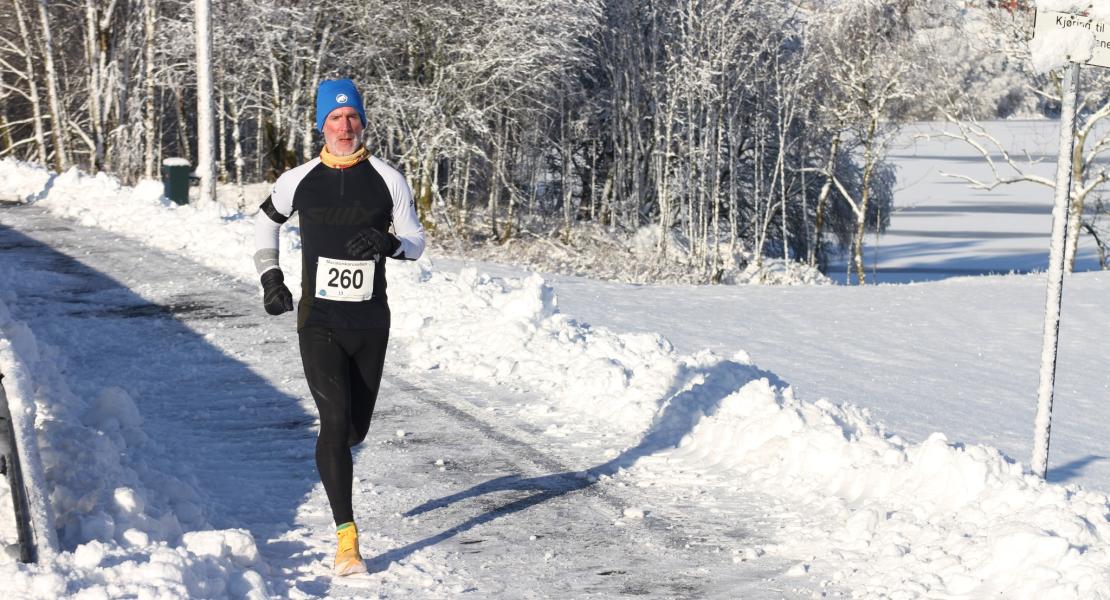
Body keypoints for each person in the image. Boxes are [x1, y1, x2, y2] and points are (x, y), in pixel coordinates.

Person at [253, 78, 425, 576]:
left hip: (370, 322)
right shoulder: (299, 179)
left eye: (351, 118)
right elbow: (265, 223)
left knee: (353, 429)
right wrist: (271, 277)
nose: (344, 127)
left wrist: (388, 243)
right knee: (332, 423)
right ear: (321, 125)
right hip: (320, 320)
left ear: (362, 123)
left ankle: (335, 461)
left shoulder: (388, 179)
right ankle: (347, 539)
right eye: (335, 118)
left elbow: (415, 241)